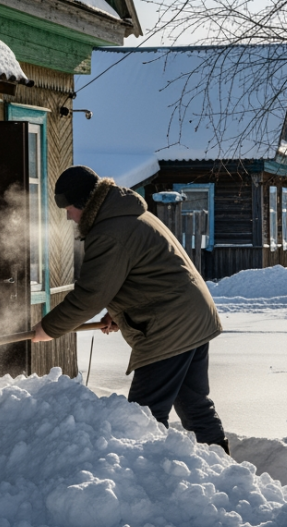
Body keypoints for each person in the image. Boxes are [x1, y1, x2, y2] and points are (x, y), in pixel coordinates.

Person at [32, 165, 229, 452]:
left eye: (70, 207)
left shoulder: (110, 231)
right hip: (193, 318)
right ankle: (223, 471)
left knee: (142, 417)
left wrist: (48, 328)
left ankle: (147, 485)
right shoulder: (128, 214)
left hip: (168, 329)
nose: (67, 216)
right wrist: (119, 313)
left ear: (85, 204)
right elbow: (143, 274)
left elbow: (90, 295)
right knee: (194, 404)